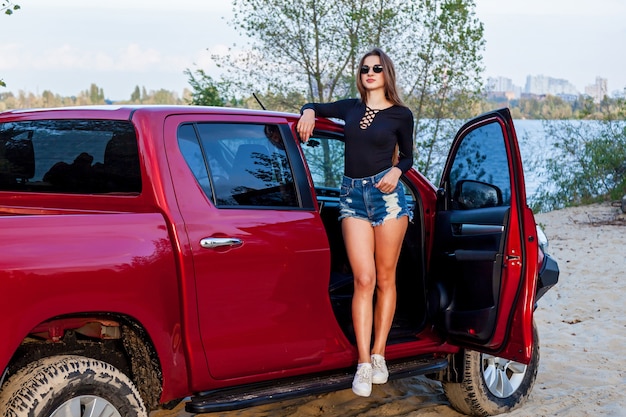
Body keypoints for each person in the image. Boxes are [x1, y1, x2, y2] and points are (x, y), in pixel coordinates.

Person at [297, 48, 414, 397]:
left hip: (387, 196)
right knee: (364, 279)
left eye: (377, 68)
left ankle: (380, 354)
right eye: (365, 68)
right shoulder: (351, 108)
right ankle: (363, 363)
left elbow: (407, 156)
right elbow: (313, 105)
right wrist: (307, 113)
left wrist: (397, 169)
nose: (370, 72)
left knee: (385, 278)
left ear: (386, 74)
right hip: (351, 197)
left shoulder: (401, 115)